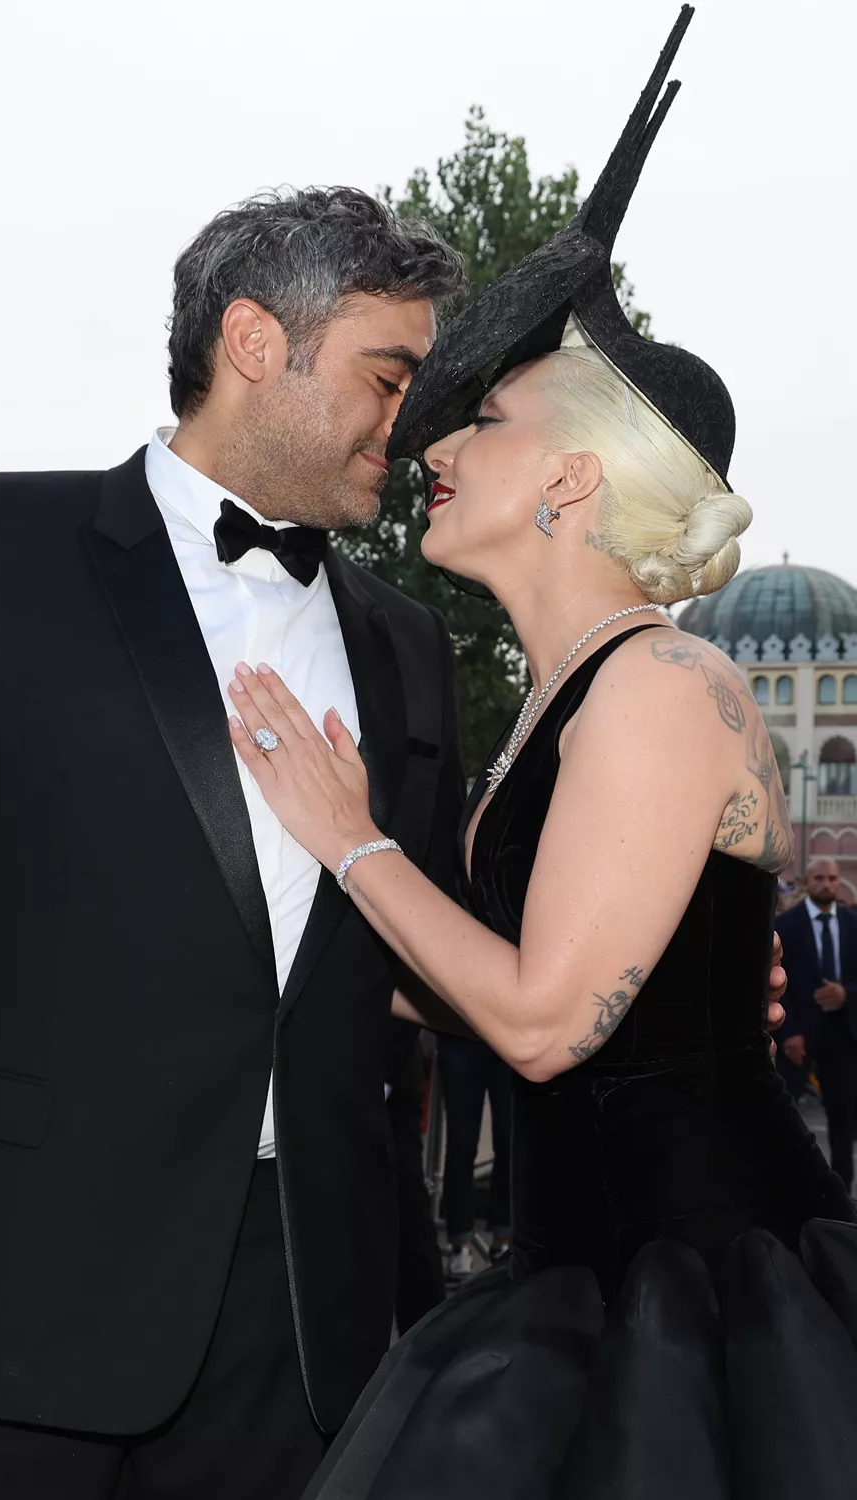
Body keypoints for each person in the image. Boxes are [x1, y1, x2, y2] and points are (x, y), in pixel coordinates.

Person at [224, 11, 857, 1495]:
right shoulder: (563, 699)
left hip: (703, 1307)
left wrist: (349, 836)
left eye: (485, 420)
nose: (437, 447)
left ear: (573, 476)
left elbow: (543, 1020)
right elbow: (484, 980)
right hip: (576, 1281)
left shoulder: (661, 685)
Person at [0, 191, 469, 1497]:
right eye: (388, 377)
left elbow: (413, 969)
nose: (409, 424)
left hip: (296, 1331)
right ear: (255, 342)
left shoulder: (408, 643)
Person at [777, 858, 857, 1186]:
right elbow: (774, 982)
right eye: (820, 878)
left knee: (843, 1118)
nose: (827, 884)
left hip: (842, 1035)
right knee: (785, 1118)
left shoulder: (853, 924)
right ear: (807, 882)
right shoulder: (786, 925)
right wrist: (789, 1032)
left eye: (833, 878)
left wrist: (846, 993)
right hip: (798, 1036)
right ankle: (788, 1187)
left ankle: (842, 1191)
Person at [384, 1020, 447, 1332]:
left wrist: (383, 1079)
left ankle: (427, 1340)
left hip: (385, 1076)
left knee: (408, 1217)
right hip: (338, 1079)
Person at [435, 1032, 512, 1278]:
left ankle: (503, 1240)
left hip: (508, 1036)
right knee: (461, 1143)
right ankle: (461, 1246)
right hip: (460, 1034)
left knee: (509, 1142)